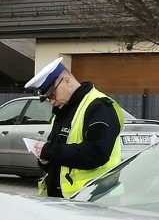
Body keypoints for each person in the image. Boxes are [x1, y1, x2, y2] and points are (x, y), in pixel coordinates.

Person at [26, 58, 124, 199]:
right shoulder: (62, 112)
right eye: (47, 98)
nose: (51, 101)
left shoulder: (99, 107)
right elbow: (61, 156)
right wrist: (45, 159)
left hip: (96, 199)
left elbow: (96, 153)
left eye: (52, 94)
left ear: (67, 81)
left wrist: (49, 151)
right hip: (66, 200)